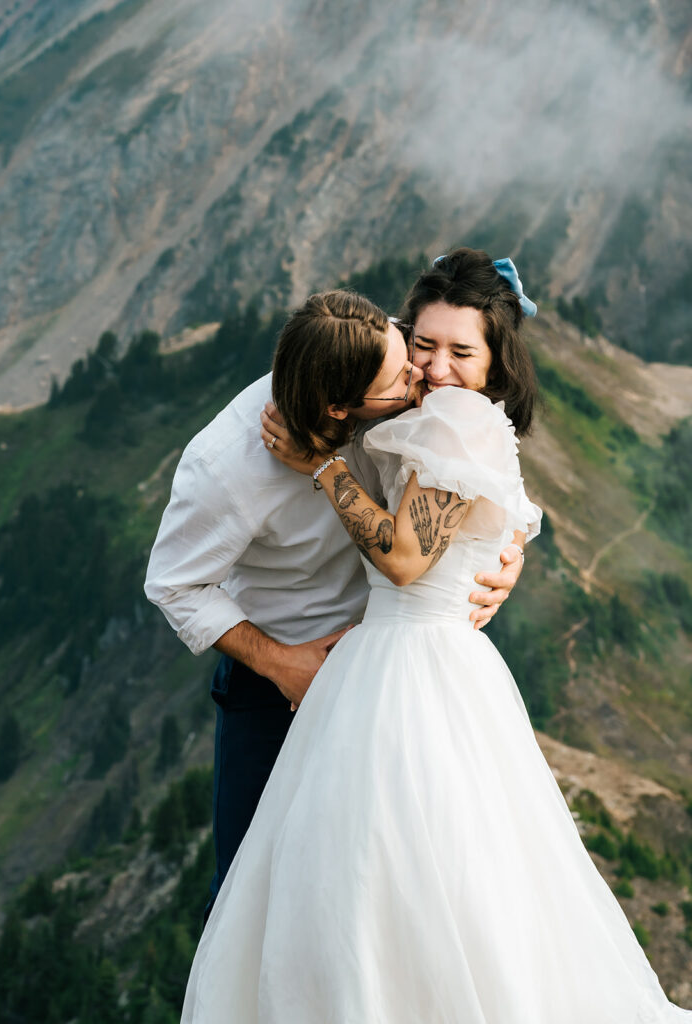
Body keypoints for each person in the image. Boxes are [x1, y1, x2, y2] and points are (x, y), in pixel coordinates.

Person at [180, 249, 692, 1022]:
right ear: (395, 338)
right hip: (342, 667)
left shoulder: (453, 419)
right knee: (404, 881)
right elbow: (502, 509)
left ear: (494, 362)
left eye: (462, 353)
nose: (436, 368)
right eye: (422, 347)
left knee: (362, 881)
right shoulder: (363, 385)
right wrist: (503, 544)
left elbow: (405, 561)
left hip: (406, 666)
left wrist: (322, 467)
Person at [144, 289, 526, 917]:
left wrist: (506, 551)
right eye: (403, 373)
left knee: (392, 892)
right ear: (339, 407)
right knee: (251, 896)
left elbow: (473, 463)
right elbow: (174, 584)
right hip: (277, 688)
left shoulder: (387, 359)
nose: (422, 375)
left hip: (395, 674)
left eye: (409, 353)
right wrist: (279, 663)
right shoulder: (226, 465)